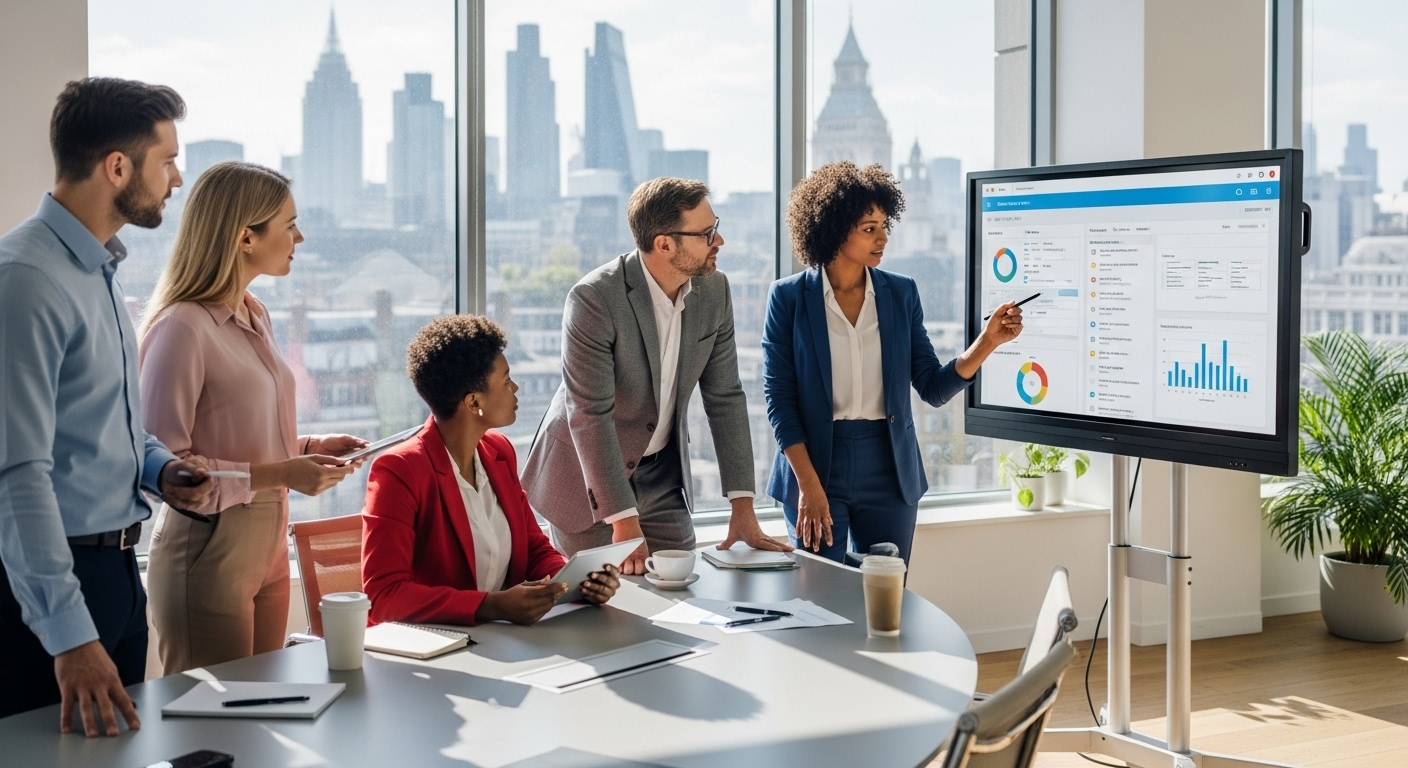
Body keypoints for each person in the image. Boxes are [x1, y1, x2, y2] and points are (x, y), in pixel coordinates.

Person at [0, 78, 217, 736]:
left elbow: (97, 424)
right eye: (168, 160)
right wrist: (68, 636)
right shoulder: (27, 281)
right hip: (53, 588)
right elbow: (16, 474)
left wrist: (158, 468)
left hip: (119, 572)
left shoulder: (96, 271)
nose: (177, 180)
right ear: (117, 166)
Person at [137, 162, 369, 675]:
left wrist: (306, 448)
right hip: (209, 546)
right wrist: (284, 473)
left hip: (269, 538)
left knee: (267, 716)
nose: (299, 237)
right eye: (289, 225)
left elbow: (242, 429)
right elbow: (169, 471)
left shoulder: (255, 312)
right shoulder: (181, 328)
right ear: (246, 236)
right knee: (218, 736)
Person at [522, 177, 792, 575]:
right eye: (706, 233)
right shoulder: (594, 299)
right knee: (603, 608)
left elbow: (726, 397)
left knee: (682, 597)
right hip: (587, 478)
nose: (720, 241)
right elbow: (589, 416)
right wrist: (624, 521)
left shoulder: (714, 291)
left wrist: (742, 505)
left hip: (662, 476)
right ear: (664, 244)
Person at [763, 162, 1024, 564]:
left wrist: (987, 342)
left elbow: (932, 387)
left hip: (888, 469)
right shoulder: (788, 298)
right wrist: (809, 487)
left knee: (885, 599)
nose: (883, 237)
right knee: (820, 600)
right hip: (813, 467)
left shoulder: (901, 293)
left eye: (885, 225)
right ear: (833, 228)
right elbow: (779, 400)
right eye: (869, 228)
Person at [362, 316, 620, 626]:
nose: (516, 387)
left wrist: (577, 582)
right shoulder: (400, 471)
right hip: (435, 651)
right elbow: (383, 595)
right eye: (506, 380)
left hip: (502, 642)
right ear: (473, 403)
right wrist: (491, 606)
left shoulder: (499, 452)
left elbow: (534, 548)